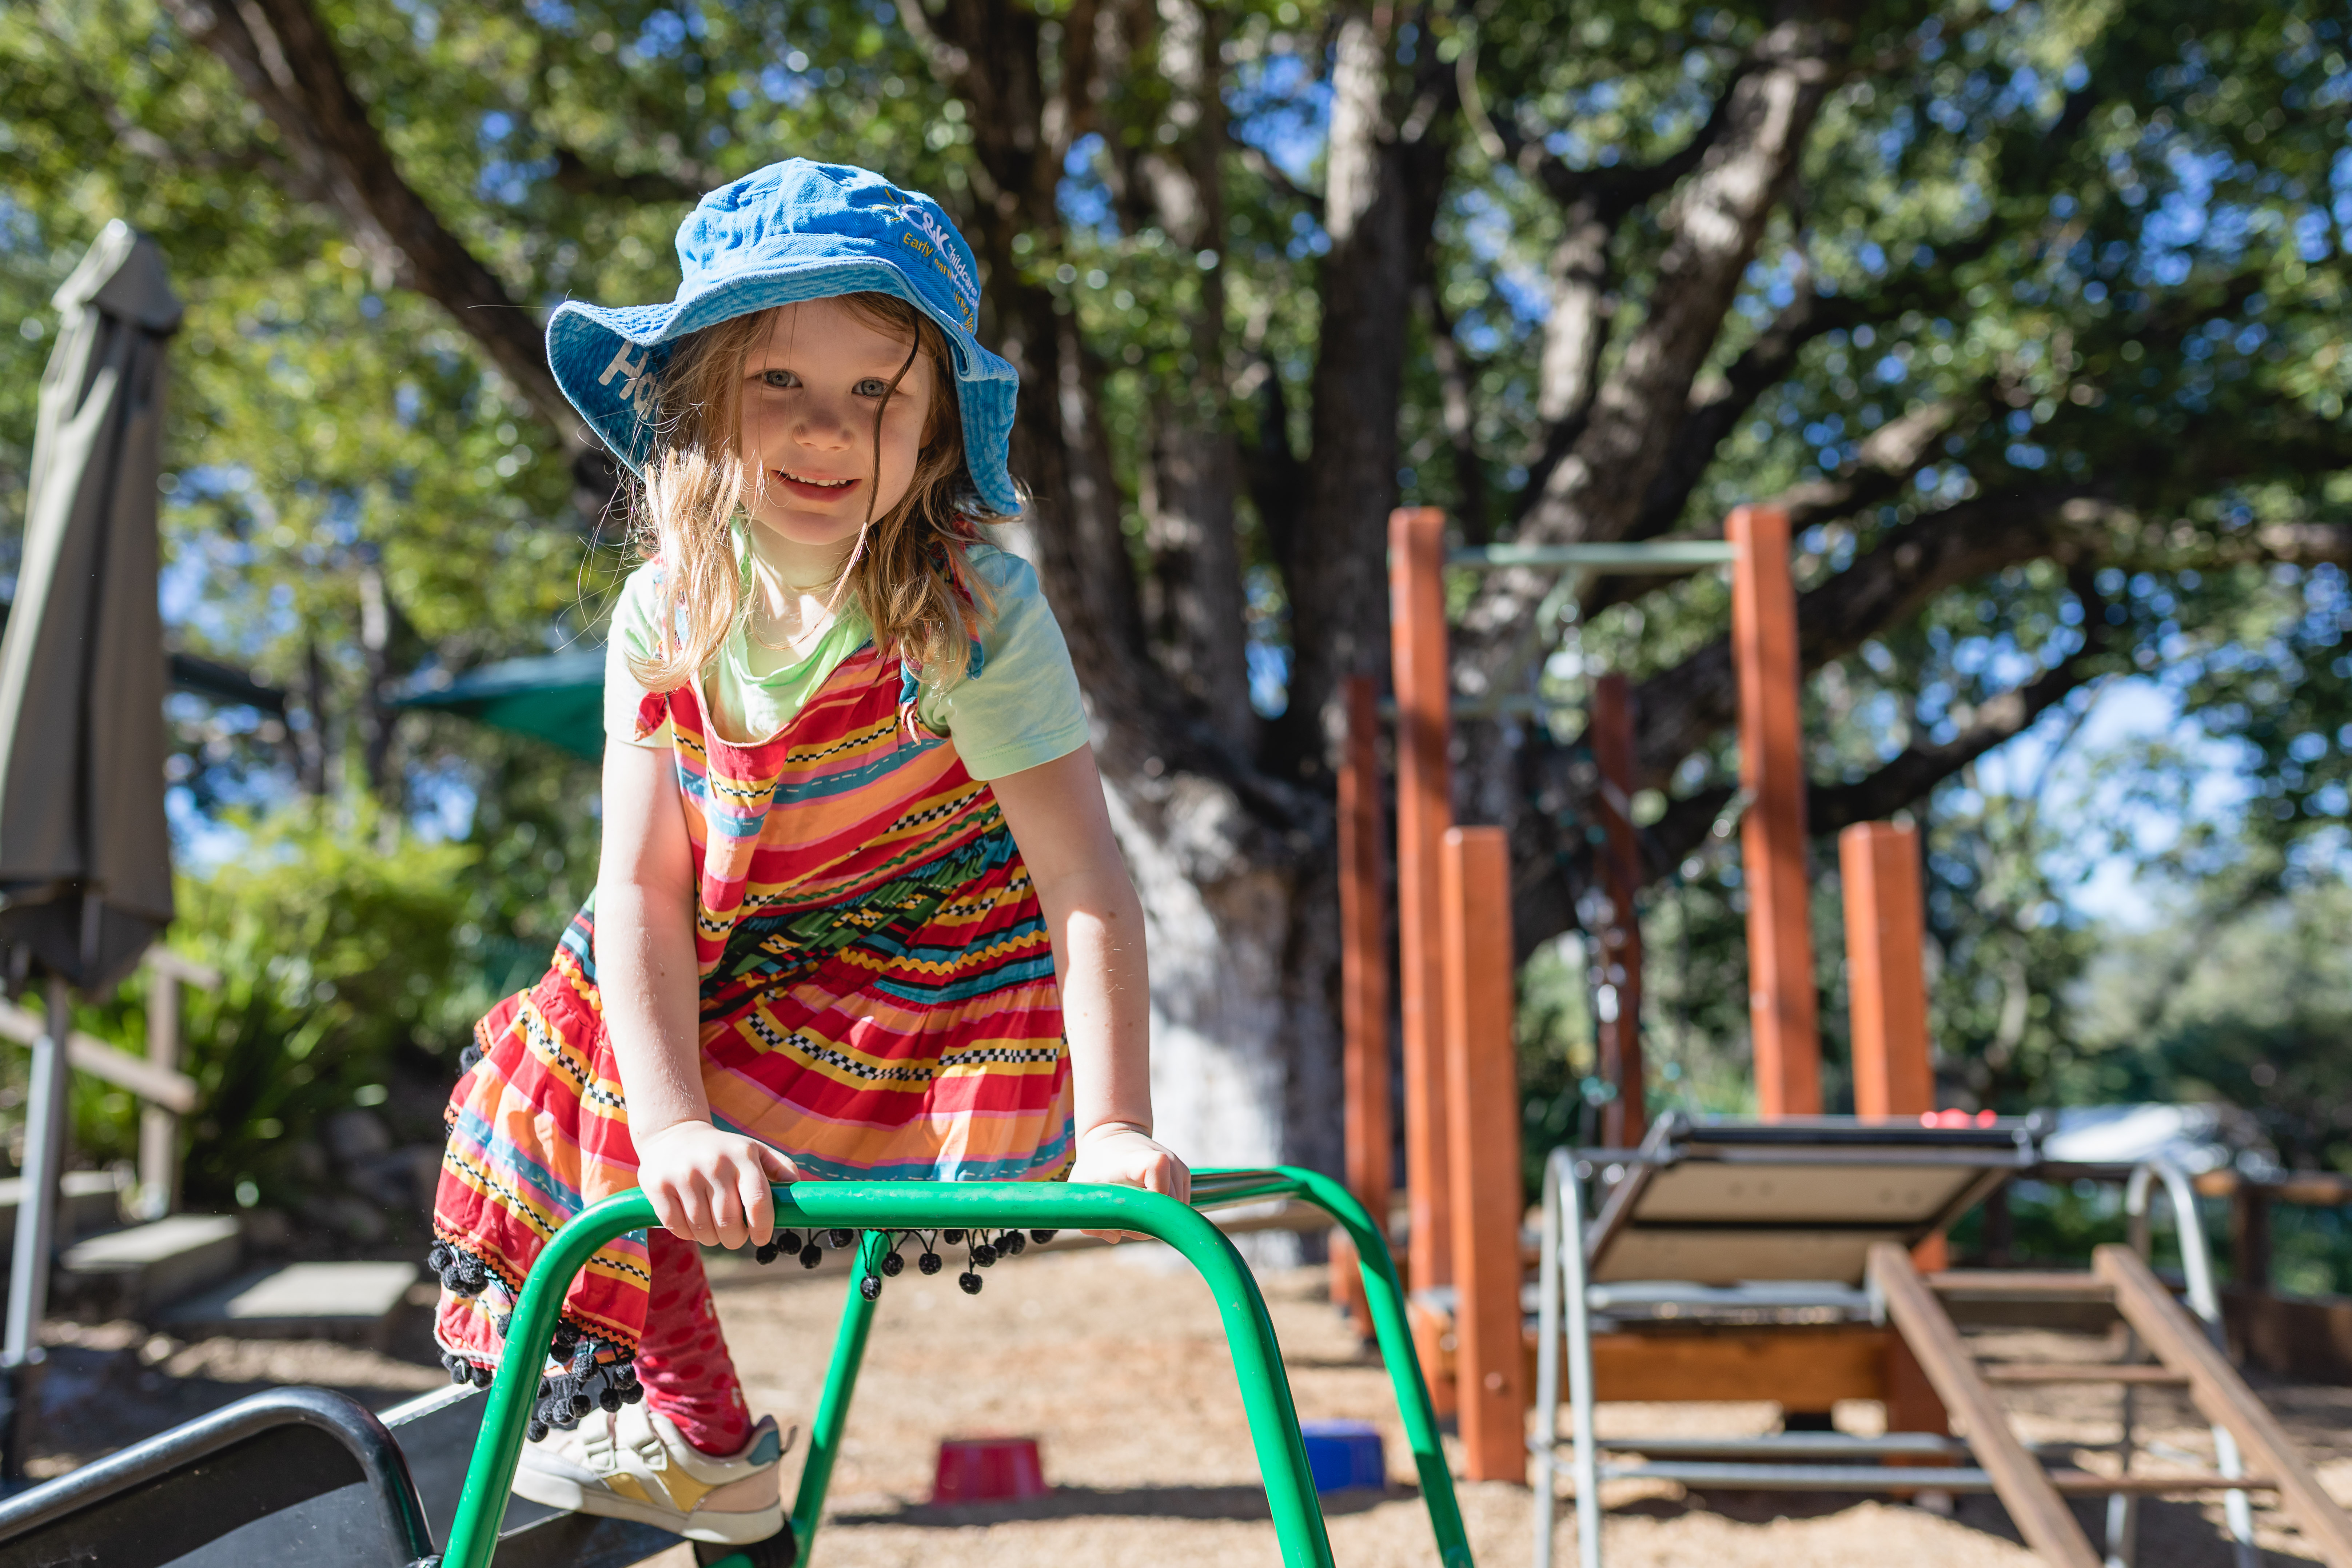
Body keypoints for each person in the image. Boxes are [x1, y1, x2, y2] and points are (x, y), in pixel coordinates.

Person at [423, 159, 1189, 1548]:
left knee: (592, 1026)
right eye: (779, 380)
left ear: (936, 431)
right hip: (742, 981)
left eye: (877, 393)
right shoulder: (665, 613)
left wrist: (1121, 1124)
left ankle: (695, 1434)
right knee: (549, 1044)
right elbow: (642, 884)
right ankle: (699, 1435)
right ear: (700, 400)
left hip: (925, 992)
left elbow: (1083, 879)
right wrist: (668, 1129)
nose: (828, 428)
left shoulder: (972, 612)